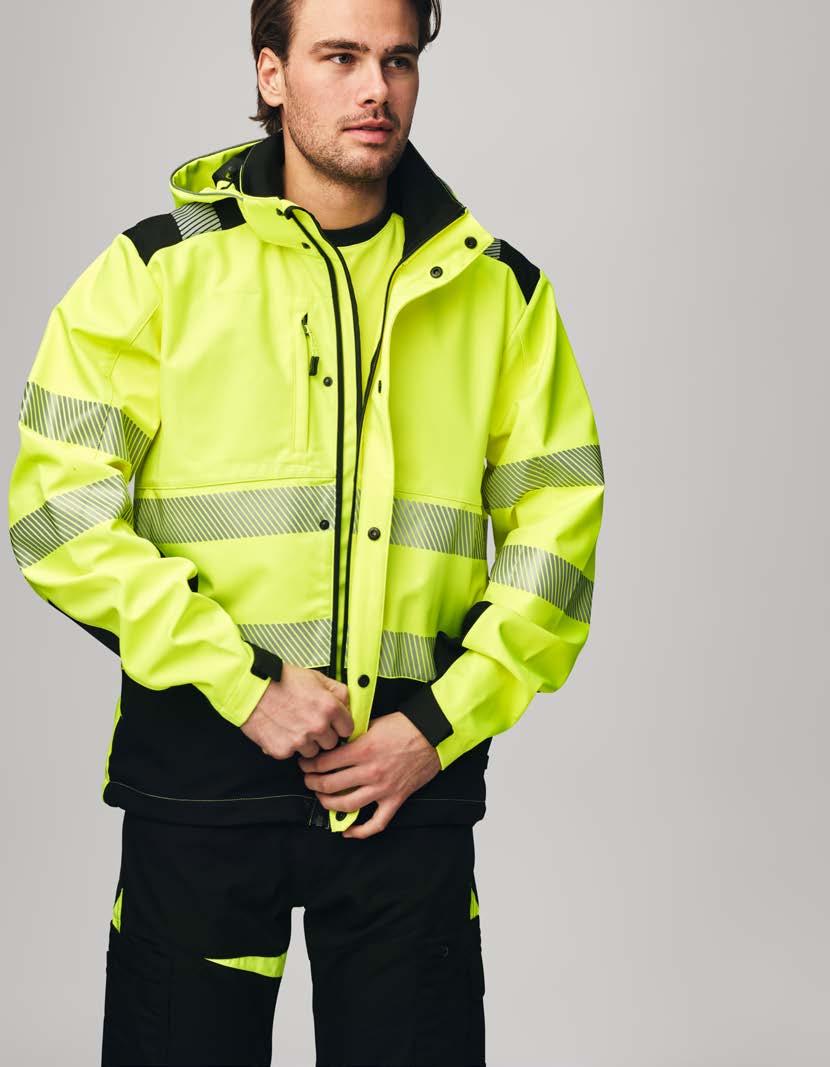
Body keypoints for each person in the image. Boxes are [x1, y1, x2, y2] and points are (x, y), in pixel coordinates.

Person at [7, 0, 605, 1063]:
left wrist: (434, 727)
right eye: (340, 57)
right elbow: (57, 512)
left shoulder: (499, 293)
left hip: (405, 788)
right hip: (202, 783)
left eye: (398, 59)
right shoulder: (155, 272)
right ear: (271, 73)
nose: (376, 88)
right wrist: (244, 683)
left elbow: (556, 542)